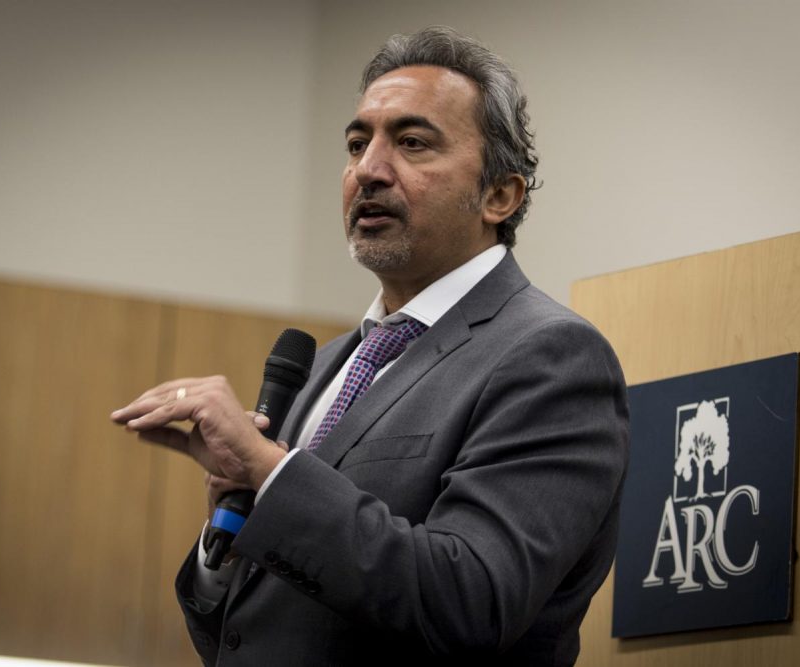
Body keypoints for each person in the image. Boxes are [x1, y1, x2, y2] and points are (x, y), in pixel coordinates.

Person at [112, 26, 628, 667]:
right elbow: (248, 634)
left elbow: (472, 600)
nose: (369, 170)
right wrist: (233, 524)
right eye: (358, 144)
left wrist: (272, 475)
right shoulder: (324, 366)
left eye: (412, 143)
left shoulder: (551, 357)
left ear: (500, 195)